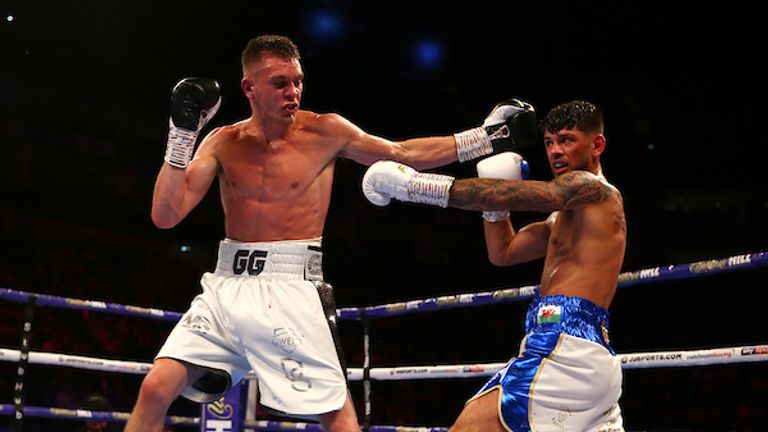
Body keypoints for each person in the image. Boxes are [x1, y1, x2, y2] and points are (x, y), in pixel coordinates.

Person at [124, 34, 538, 432]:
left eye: (298, 81)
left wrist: (486, 138)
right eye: (280, 83)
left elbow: (404, 153)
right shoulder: (222, 141)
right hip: (225, 285)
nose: (293, 92)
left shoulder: (326, 131)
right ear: (249, 87)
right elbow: (166, 214)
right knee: (155, 388)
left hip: (291, 286)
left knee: (335, 418)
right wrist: (181, 136)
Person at [362, 100, 626, 431]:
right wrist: (495, 212)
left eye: (568, 140)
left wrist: (416, 186)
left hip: (566, 349)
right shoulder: (562, 219)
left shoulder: (597, 192)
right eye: (549, 142)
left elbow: (542, 193)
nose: (556, 151)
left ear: (596, 144)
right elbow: (503, 251)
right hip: (565, 346)